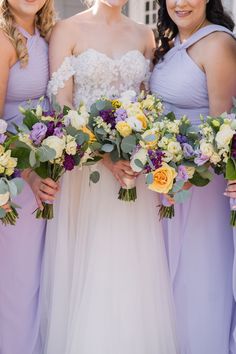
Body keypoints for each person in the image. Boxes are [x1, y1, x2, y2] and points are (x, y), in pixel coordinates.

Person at [40, 1, 179, 353]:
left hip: (132, 175)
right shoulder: (66, 31)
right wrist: (105, 157)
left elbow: (150, 109)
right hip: (86, 174)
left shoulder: (145, 35)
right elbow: (63, 108)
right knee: (90, 276)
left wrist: (139, 155)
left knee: (133, 275)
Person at [150, 0, 236, 353]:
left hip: (204, 187)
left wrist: (189, 173)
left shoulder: (218, 44)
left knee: (200, 279)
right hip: (168, 180)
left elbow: (224, 128)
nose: (181, 3)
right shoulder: (170, 44)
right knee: (171, 283)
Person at [0, 1, 58, 353]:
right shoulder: (4, 38)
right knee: (17, 287)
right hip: (15, 182)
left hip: (48, 175)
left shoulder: (49, 36)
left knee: (42, 284)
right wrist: (28, 173)